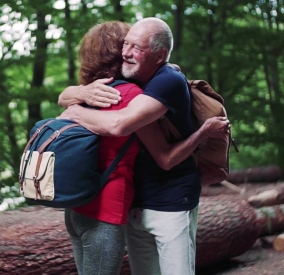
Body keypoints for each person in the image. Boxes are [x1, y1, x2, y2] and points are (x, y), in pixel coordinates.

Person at [59, 17, 230, 275]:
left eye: (136, 47)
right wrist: (78, 94)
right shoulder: (123, 84)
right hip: (135, 203)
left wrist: (74, 112)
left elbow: (122, 127)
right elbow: (64, 96)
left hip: (171, 201)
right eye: (124, 45)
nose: (126, 53)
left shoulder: (161, 82)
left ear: (159, 55)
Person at [63, 20, 143, 275]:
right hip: (104, 211)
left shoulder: (85, 95)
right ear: (122, 52)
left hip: (75, 208)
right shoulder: (131, 95)